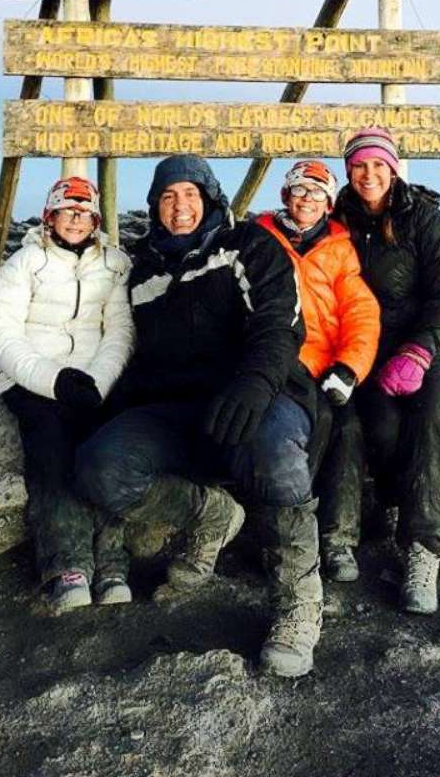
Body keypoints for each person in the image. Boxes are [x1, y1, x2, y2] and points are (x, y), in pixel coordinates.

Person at [75, 155, 323, 677]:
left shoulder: (251, 246)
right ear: (155, 206)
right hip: (178, 411)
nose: (179, 205)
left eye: (190, 194)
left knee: (277, 450)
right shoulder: (141, 271)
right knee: (102, 465)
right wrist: (102, 402)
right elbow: (128, 348)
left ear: (210, 197)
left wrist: (255, 384)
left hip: (258, 399)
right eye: (168, 196)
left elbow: (280, 325)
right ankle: (211, 512)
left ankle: (298, 601)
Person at [0, 175, 134, 614]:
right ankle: (67, 564)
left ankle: (112, 564)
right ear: (50, 216)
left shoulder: (116, 264)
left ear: (96, 219)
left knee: (107, 452)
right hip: (34, 380)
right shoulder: (24, 263)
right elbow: (0, 331)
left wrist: (99, 382)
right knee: (51, 450)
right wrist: (53, 381)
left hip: (94, 380)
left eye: (85, 212)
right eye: (67, 211)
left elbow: (120, 331)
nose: (76, 220)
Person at [332, 127, 440, 613]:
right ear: (349, 170)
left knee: (429, 424)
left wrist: (421, 351)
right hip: (364, 349)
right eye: (360, 166)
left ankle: (424, 548)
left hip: (423, 346)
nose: (369, 175)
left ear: (392, 169)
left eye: (378, 166)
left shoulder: (424, 219)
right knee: (380, 429)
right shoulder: (337, 217)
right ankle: (382, 504)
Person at [254, 159, 380, 583]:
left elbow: (360, 313)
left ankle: (338, 538)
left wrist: (349, 368)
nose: (307, 199)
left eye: (318, 193)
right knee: (284, 431)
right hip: (273, 360)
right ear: (285, 195)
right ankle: (284, 538)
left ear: (329, 205)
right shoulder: (257, 238)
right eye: (300, 190)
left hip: (324, 366)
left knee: (345, 428)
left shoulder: (341, 250)